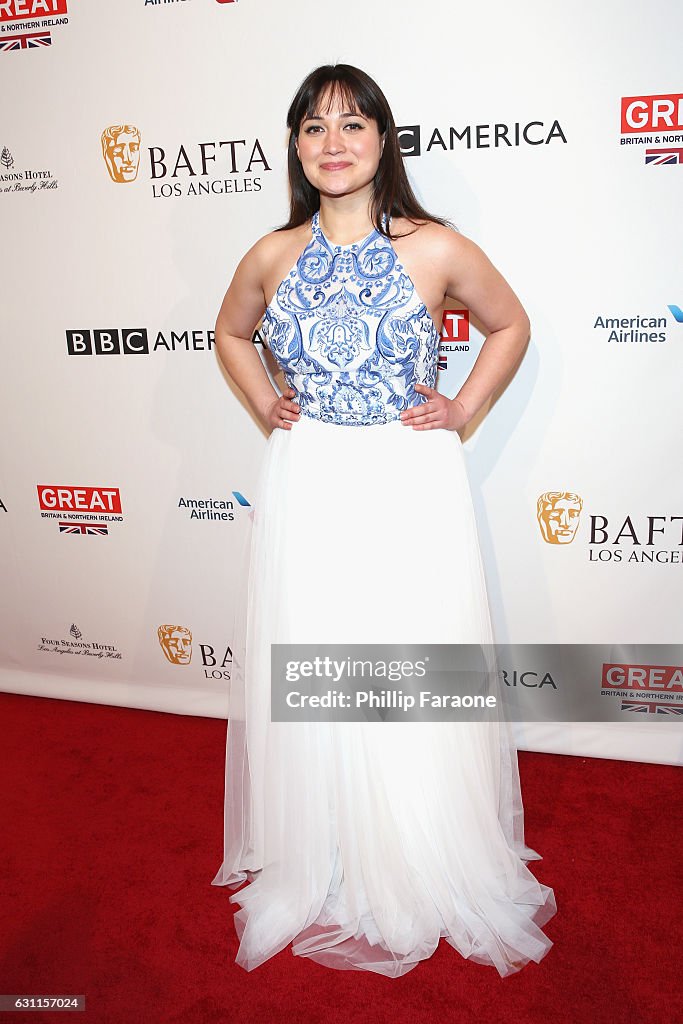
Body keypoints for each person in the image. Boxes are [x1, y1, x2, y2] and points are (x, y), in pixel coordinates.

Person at [211, 62, 556, 978]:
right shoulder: (271, 254)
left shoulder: (435, 245)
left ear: (382, 140)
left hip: (407, 477)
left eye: (353, 124)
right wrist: (267, 405)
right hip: (311, 473)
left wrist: (461, 409)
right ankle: (321, 850)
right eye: (315, 127)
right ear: (294, 145)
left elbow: (510, 324)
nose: (333, 143)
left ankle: (413, 850)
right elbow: (230, 334)